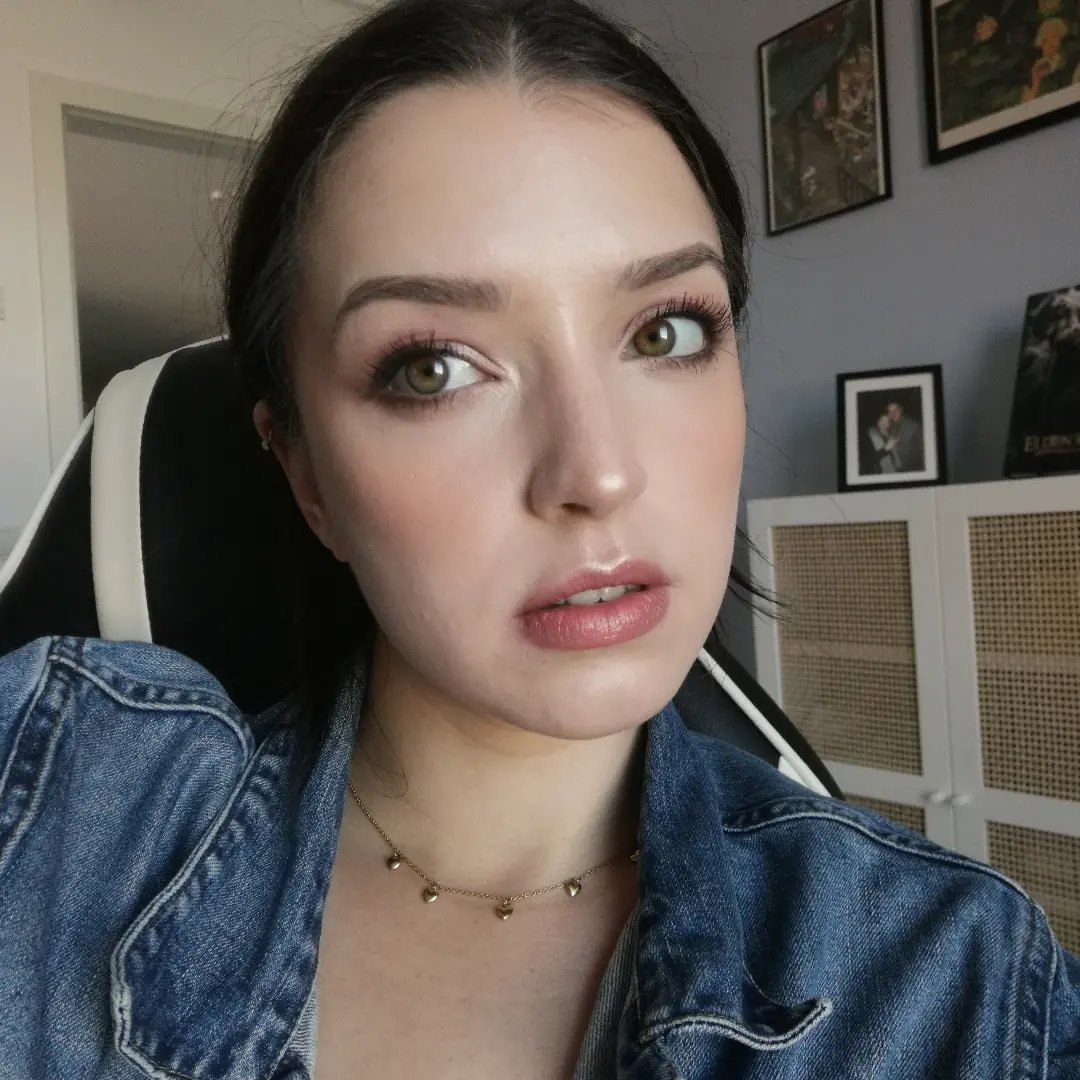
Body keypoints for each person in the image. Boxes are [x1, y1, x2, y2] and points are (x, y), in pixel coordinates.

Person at [1, 1, 1078, 1077]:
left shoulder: (962, 982)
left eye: (665, 331)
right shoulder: (60, 812)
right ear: (305, 473)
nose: (596, 472)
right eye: (433, 367)